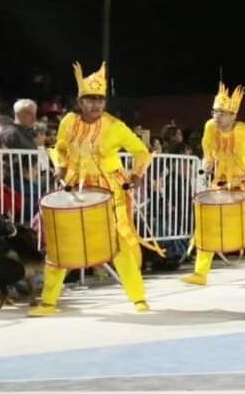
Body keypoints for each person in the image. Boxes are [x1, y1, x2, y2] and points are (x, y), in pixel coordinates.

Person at [30, 62, 159, 316]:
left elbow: (141, 151)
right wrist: (59, 165)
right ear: (80, 101)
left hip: (107, 191)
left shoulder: (116, 126)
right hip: (75, 188)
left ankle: (138, 298)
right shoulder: (68, 121)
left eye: (100, 99)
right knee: (62, 244)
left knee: (117, 244)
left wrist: (136, 174)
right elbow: (60, 148)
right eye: (90, 99)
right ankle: (48, 302)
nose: (96, 104)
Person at [182, 83, 245, 286]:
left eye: (222, 113)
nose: (217, 116)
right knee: (209, 225)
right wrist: (207, 160)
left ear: (233, 115)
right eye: (215, 112)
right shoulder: (210, 127)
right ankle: (200, 273)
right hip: (220, 184)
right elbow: (206, 146)